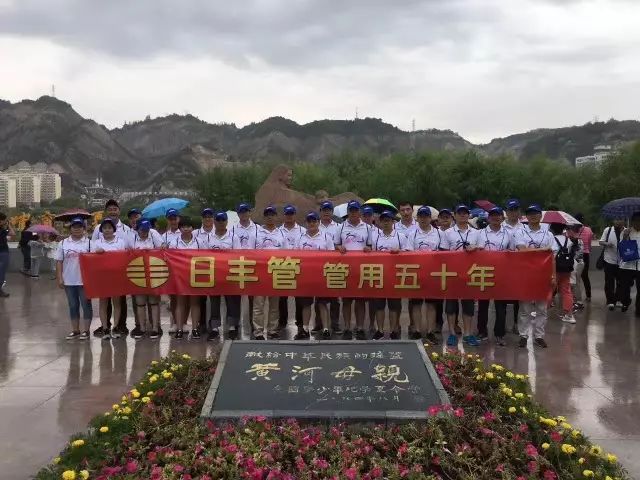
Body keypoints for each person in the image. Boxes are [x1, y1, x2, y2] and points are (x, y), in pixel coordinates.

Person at [406, 206, 448, 345]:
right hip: (416, 273)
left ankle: (430, 331)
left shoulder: (439, 233)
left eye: (426, 216)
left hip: (433, 274)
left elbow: (443, 253)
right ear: (417, 218)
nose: (423, 219)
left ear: (430, 218)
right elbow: (408, 253)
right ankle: (417, 330)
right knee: (416, 304)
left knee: (431, 304)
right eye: (421, 216)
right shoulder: (412, 234)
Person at [514, 204, 555, 348]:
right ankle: (523, 335)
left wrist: (553, 276)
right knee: (524, 308)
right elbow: (522, 250)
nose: (533, 216)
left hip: (543, 275)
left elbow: (552, 257)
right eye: (530, 213)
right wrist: (542, 250)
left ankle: (539, 336)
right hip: (525, 274)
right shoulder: (521, 232)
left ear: (540, 216)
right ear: (526, 216)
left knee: (541, 308)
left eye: (536, 213)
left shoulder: (548, 234)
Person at [476, 207, 515, 346]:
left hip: (502, 273)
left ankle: (499, 333)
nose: (495, 218)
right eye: (492, 215)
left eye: (498, 215)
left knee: (500, 306)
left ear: (502, 218)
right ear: (488, 218)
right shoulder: (480, 233)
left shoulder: (509, 234)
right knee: (483, 304)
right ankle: (482, 331)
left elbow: (512, 252)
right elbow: (477, 251)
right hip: (484, 272)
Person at [444, 205, 481, 348]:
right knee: (451, 305)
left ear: (469, 215)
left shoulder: (476, 233)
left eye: (465, 213)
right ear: (454, 215)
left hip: (470, 273)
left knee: (468, 305)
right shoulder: (448, 233)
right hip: (452, 273)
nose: (463, 215)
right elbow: (442, 253)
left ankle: (468, 334)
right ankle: (452, 333)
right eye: (459, 213)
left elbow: (482, 251)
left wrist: (475, 248)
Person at [335, 200, 373, 340]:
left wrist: (369, 248)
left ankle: (360, 327)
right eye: (351, 210)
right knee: (346, 301)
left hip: (362, 269)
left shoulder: (367, 228)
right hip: (345, 268)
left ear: (359, 212)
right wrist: (339, 247)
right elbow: (336, 245)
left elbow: (371, 246)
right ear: (348, 212)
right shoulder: (341, 227)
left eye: (355, 210)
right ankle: (347, 328)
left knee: (360, 301)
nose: (353, 213)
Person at [92, 199, 130, 338]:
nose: (113, 211)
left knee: (119, 301)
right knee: (104, 302)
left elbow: (127, 252)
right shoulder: (97, 232)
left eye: (115, 209)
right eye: (110, 209)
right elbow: (91, 253)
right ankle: (105, 326)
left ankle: (119, 326)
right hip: (102, 275)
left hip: (117, 275)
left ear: (119, 211)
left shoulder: (125, 230)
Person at [294, 211, 335, 340]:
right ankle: (305, 329)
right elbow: (295, 256)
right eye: (309, 221)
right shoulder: (300, 238)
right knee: (306, 304)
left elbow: (332, 257)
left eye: (314, 221)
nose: (312, 223)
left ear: (318, 222)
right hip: (305, 276)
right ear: (306, 223)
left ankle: (326, 329)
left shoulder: (326, 237)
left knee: (322, 303)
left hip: (322, 275)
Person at [371, 210, 408, 339]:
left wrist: (400, 251)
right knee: (379, 306)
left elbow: (408, 254)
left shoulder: (400, 236)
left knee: (394, 306)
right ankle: (380, 330)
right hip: (379, 275)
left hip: (395, 276)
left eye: (388, 220)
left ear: (393, 222)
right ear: (380, 222)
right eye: (383, 220)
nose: (386, 223)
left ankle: (394, 330)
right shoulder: (375, 237)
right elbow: (371, 255)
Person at [55, 218, 93, 339]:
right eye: (74, 227)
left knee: (86, 305)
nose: (77, 229)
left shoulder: (89, 243)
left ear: (83, 229)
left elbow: (95, 259)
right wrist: (60, 278)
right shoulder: (63, 243)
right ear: (70, 229)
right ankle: (75, 330)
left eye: (79, 227)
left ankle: (86, 330)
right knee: (73, 306)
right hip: (69, 280)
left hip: (84, 281)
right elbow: (59, 261)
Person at [253, 205, 286, 340]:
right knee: (258, 305)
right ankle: (258, 331)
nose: (270, 217)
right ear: (264, 217)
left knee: (274, 306)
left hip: (276, 272)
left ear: (276, 217)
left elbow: (286, 254)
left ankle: (273, 330)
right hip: (260, 273)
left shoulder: (281, 233)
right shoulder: (256, 233)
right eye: (267, 215)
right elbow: (249, 252)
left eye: (272, 214)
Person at [207, 211, 241, 341]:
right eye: (218, 220)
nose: (221, 222)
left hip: (230, 274)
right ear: (214, 222)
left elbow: (238, 255)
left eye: (223, 220)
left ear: (227, 222)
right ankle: (215, 328)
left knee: (232, 301)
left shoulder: (233, 237)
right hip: (214, 274)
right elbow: (203, 256)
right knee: (214, 302)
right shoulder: (209, 237)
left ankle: (232, 327)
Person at [169, 217, 203, 339]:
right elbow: (170, 259)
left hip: (195, 275)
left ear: (192, 228)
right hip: (180, 277)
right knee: (180, 303)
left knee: (195, 303)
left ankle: (195, 328)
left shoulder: (200, 242)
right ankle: (179, 328)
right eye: (183, 227)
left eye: (188, 226)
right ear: (180, 228)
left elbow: (206, 258)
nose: (186, 229)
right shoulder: (174, 242)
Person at [130, 220, 162, 339]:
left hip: (153, 272)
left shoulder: (154, 235)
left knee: (154, 301)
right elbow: (125, 252)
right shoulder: (131, 238)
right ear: (137, 229)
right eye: (142, 230)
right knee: (140, 302)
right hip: (137, 273)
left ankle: (155, 328)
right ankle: (142, 328)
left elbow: (162, 248)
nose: (145, 232)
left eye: (147, 230)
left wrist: (157, 250)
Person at [231, 203, 259, 331]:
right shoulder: (232, 229)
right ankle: (235, 323)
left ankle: (253, 323)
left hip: (253, 265)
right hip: (237, 265)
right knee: (235, 296)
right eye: (241, 212)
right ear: (238, 214)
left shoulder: (258, 228)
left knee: (253, 297)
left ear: (250, 212)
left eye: (246, 211)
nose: (244, 214)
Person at [278, 204, 305, 330]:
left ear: (295, 215)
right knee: (282, 297)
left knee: (299, 297)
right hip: (282, 266)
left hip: (298, 267)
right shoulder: (278, 231)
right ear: (284, 215)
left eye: (291, 214)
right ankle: (282, 321)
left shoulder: (302, 231)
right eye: (287, 214)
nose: (289, 216)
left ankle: (300, 322)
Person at [317, 201, 342, 334]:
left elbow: (341, 244)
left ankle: (335, 324)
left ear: (332, 212)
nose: (326, 212)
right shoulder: (315, 225)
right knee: (318, 296)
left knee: (334, 298)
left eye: (329, 210)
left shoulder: (339, 227)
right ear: (320, 212)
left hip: (334, 265)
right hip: (317, 266)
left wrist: (338, 247)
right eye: (324, 210)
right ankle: (319, 324)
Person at [501, 198, 523, 333]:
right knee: (502, 297)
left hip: (520, 267)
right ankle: (502, 324)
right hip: (504, 267)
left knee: (518, 297)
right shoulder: (501, 226)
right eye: (511, 210)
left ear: (519, 211)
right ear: (506, 212)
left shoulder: (524, 227)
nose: (513, 212)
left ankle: (516, 323)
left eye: (515, 210)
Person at [549, 223, 577, 324]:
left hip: (555, 268)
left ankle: (541, 310)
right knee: (566, 290)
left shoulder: (552, 240)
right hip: (566, 268)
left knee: (549, 290)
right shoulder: (568, 240)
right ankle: (569, 314)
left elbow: (551, 256)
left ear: (552, 229)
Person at [162, 208, 182, 334]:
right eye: (171, 219)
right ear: (167, 220)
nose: (173, 221)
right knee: (173, 298)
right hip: (170, 269)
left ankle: (183, 322)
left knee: (184, 297)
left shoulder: (184, 232)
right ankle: (174, 322)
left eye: (175, 218)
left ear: (178, 219)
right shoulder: (164, 236)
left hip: (183, 269)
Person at [195, 208, 214, 334]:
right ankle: (201, 323)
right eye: (205, 216)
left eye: (210, 216)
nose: (207, 219)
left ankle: (213, 323)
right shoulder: (195, 233)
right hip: (199, 269)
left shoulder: (219, 232)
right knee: (201, 299)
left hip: (215, 269)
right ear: (202, 219)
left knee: (214, 299)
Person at [599, 218, 625, 310]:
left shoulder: (626, 231)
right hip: (609, 260)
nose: (618, 221)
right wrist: (607, 244)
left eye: (620, 219)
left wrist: (626, 236)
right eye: (616, 219)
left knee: (621, 282)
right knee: (609, 282)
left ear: (623, 221)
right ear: (614, 221)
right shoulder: (608, 230)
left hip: (622, 261)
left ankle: (618, 299)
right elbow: (600, 241)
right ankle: (610, 301)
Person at [618, 211, 640, 317]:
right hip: (627, 265)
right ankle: (626, 301)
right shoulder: (626, 231)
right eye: (636, 221)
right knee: (624, 288)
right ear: (632, 222)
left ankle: (638, 309)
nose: (638, 223)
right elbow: (621, 247)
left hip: (639, 266)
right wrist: (625, 237)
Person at [574, 214, 593, 301]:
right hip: (585, 254)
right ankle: (588, 295)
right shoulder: (588, 230)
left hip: (575, 255)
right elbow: (589, 244)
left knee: (574, 276)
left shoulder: (572, 230)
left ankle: (575, 296)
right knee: (585, 276)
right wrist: (587, 250)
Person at [0, 212, 15, 297]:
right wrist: (9, 225)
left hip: (3, 251)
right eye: (5, 220)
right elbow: (13, 233)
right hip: (3, 252)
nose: (6, 222)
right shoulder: (2, 230)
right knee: (2, 271)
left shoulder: (3, 230)